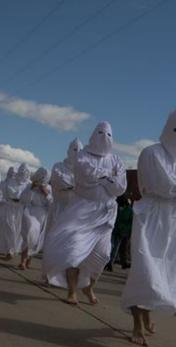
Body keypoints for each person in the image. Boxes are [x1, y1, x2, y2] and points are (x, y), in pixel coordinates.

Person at [121, 104, 176, 345]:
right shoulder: (151, 153)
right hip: (151, 216)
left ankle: (147, 313)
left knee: (167, 272)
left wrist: (175, 185)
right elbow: (161, 185)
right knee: (145, 270)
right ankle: (137, 323)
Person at [42, 122, 126, 305]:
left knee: (102, 255)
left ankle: (89, 286)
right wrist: (108, 177)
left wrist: (102, 178)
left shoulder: (117, 160)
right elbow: (85, 175)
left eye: (108, 134)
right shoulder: (83, 155)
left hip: (104, 215)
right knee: (73, 251)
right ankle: (72, 291)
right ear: (94, 134)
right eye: (101, 133)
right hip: (81, 211)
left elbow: (120, 187)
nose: (104, 137)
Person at [0, 163, 30, 259]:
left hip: (20, 209)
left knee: (17, 229)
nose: (23, 173)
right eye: (22, 171)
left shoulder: (28, 185)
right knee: (9, 227)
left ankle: (12, 248)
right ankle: (10, 249)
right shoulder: (10, 182)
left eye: (25, 172)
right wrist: (4, 201)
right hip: (9, 207)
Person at [45, 139, 82, 234]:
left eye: (80, 150)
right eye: (75, 149)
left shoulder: (82, 171)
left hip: (73, 211)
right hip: (58, 208)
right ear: (69, 151)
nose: (77, 153)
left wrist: (70, 185)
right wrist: (74, 185)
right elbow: (58, 181)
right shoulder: (58, 166)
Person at [18, 167, 52, 270]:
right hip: (29, 211)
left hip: (41, 215)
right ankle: (23, 261)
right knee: (29, 233)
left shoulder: (49, 188)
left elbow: (52, 204)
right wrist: (31, 189)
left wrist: (46, 194)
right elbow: (22, 199)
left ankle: (29, 259)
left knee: (35, 238)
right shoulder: (30, 186)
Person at [106, 196, 133, 271]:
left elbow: (130, 223)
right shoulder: (115, 207)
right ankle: (107, 261)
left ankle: (110, 263)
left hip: (121, 232)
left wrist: (126, 231)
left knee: (116, 248)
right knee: (111, 246)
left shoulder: (129, 210)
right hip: (113, 229)